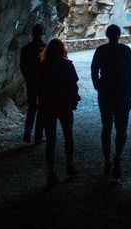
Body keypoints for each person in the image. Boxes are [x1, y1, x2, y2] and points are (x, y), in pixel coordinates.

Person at [91, 25, 131, 178]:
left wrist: (98, 87)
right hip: (122, 92)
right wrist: (130, 91)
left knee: (106, 127)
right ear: (119, 35)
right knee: (122, 128)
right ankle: (118, 156)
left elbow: (94, 71)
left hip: (106, 93)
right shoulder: (126, 50)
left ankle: (107, 159)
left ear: (107, 35)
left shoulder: (101, 51)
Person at [38, 38, 80, 188]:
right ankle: (70, 165)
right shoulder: (66, 64)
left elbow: (39, 86)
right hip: (64, 105)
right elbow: (74, 83)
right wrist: (74, 99)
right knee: (68, 136)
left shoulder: (43, 65)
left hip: (48, 105)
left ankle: (51, 172)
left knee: (50, 139)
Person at [20, 24, 46, 144]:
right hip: (42, 82)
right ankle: (38, 136)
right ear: (42, 33)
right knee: (41, 108)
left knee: (32, 107)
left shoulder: (25, 49)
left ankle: (27, 131)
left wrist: (28, 78)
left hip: (31, 81)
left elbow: (22, 66)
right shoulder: (45, 49)